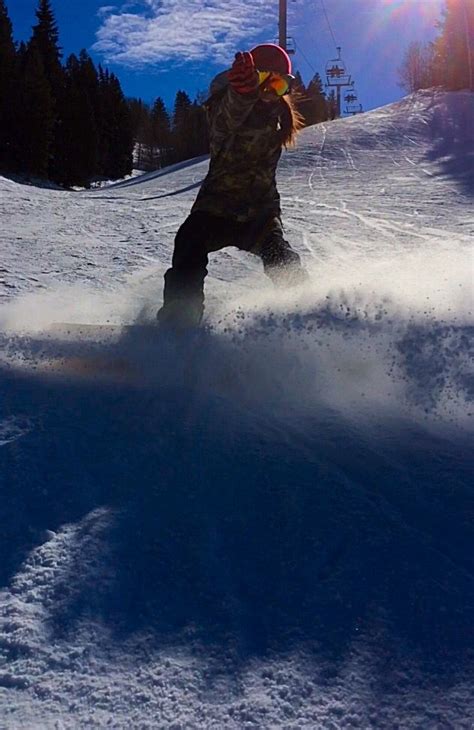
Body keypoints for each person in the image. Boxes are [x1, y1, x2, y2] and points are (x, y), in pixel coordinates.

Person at [157, 43, 308, 328]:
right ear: (252, 78)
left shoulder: (276, 123)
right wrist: (243, 93)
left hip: (258, 215)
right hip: (215, 210)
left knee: (281, 256)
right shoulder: (224, 113)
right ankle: (180, 318)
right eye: (264, 81)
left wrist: (253, 92)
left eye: (278, 85)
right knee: (189, 242)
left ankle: (309, 315)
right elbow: (229, 115)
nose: (268, 92)